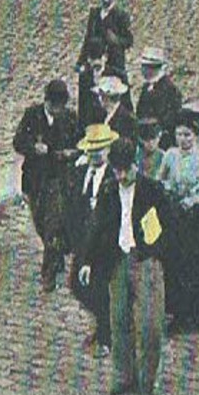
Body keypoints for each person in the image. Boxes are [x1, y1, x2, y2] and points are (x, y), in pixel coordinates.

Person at [79, 138, 171, 395]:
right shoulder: (109, 191)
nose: (120, 176)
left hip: (145, 261)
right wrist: (87, 261)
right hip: (118, 261)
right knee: (118, 322)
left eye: (124, 170)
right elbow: (97, 227)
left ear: (135, 165)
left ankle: (146, 382)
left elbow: (169, 225)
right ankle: (123, 375)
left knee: (150, 327)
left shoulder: (152, 190)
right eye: (116, 170)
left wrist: (155, 251)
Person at [157, 112, 199, 333]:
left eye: (187, 135)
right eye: (179, 135)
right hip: (177, 218)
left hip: (198, 220)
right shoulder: (170, 156)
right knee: (178, 264)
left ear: (195, 136)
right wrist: (168, 191)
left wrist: (196, 199)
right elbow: (161, 181)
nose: (183, 139)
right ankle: (180, 312)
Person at [12, 78, 81, 292]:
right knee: (40, 224)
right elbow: (18, 142)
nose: (58, 111)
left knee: (52, 226)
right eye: (54, 107)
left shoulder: (70, 118)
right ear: (47, 102)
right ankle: (57, 252)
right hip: (35, 180)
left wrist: (73, 152)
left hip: (58, 179)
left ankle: (48, 274)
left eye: (61, 107)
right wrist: (33, 147)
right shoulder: (32, 115)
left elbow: (80, 142)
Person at [67, 123, 118, 354]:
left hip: (104, 240)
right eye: (92, 149)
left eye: (101, 149)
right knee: (77, 285)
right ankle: (103, 324)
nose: (96, 153)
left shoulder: (114, 175)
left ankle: (106, 338)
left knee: (100, 288)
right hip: (84, 239)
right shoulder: (82, 172)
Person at [78, 0, 135, 77]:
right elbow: (87, 38)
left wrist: (116, 40)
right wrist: (80, 61)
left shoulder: (121, 15)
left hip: (114, 65)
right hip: (95, 63)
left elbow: (129, 41)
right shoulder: (94, 14)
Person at [134, 45, 183, 145]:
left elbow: (169, 117)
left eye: (144, 66)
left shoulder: (168, 88)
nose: (141, 70)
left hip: (162, 141)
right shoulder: (147, 86)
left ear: (151, 68)